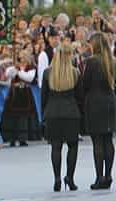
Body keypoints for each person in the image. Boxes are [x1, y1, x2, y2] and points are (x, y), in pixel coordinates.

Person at [42, 44, 83, 192]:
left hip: (52, 113)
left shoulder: (48, 73)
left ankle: (57, 179)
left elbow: (44, 98)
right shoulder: (75, 73)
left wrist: (44, 115)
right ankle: (70, 178)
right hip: (71, 113)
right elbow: (80, 97)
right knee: (73, 146)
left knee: (56, 147)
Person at [83, 33, 116, 190]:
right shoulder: (113, 62)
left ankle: (99, 177)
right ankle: (108, 175)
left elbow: (86, 84)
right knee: (108, 139)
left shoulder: (91, 62)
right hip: (110, 102)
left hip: (95, 103)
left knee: (98, 142)